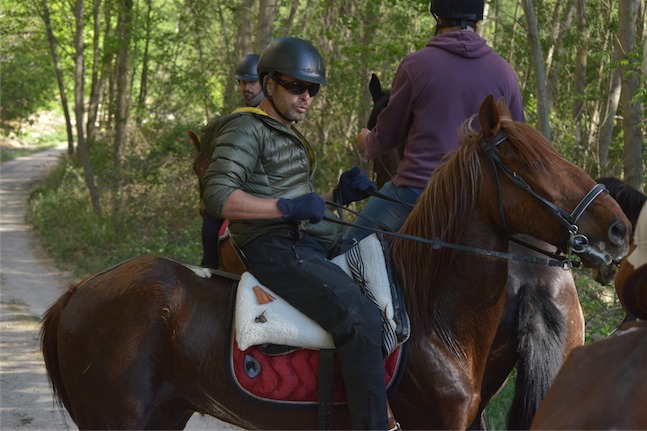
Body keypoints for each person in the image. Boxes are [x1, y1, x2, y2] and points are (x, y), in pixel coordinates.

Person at [201, 36, 394, 430]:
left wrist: (335, 196)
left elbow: (293, 200)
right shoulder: (247, 128)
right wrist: (283, 208)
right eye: (296, 86)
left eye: (313, 89)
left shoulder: (283, 129)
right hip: (273, 248)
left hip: (304, 238)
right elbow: (218, 195)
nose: (306, 97)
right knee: (360, 319)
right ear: (269, 83)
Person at [345, 0, 526, 242]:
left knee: (347, 249)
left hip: (417, 193)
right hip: (479, 200)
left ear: (438, 18)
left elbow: (384, 140)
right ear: (478, 20)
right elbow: (519, 143)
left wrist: (365, 139)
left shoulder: (416, 65)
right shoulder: (504, 72)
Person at [199, 53, 263, 268]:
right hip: (242, 182)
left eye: (252, 82)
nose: (246, 87)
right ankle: (212, 268)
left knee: (211, 216)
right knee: (210, 217)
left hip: (260, 187)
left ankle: (210, 270)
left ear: (265, 83)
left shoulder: (271, 113)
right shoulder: (240, 115)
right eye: (243, 82)